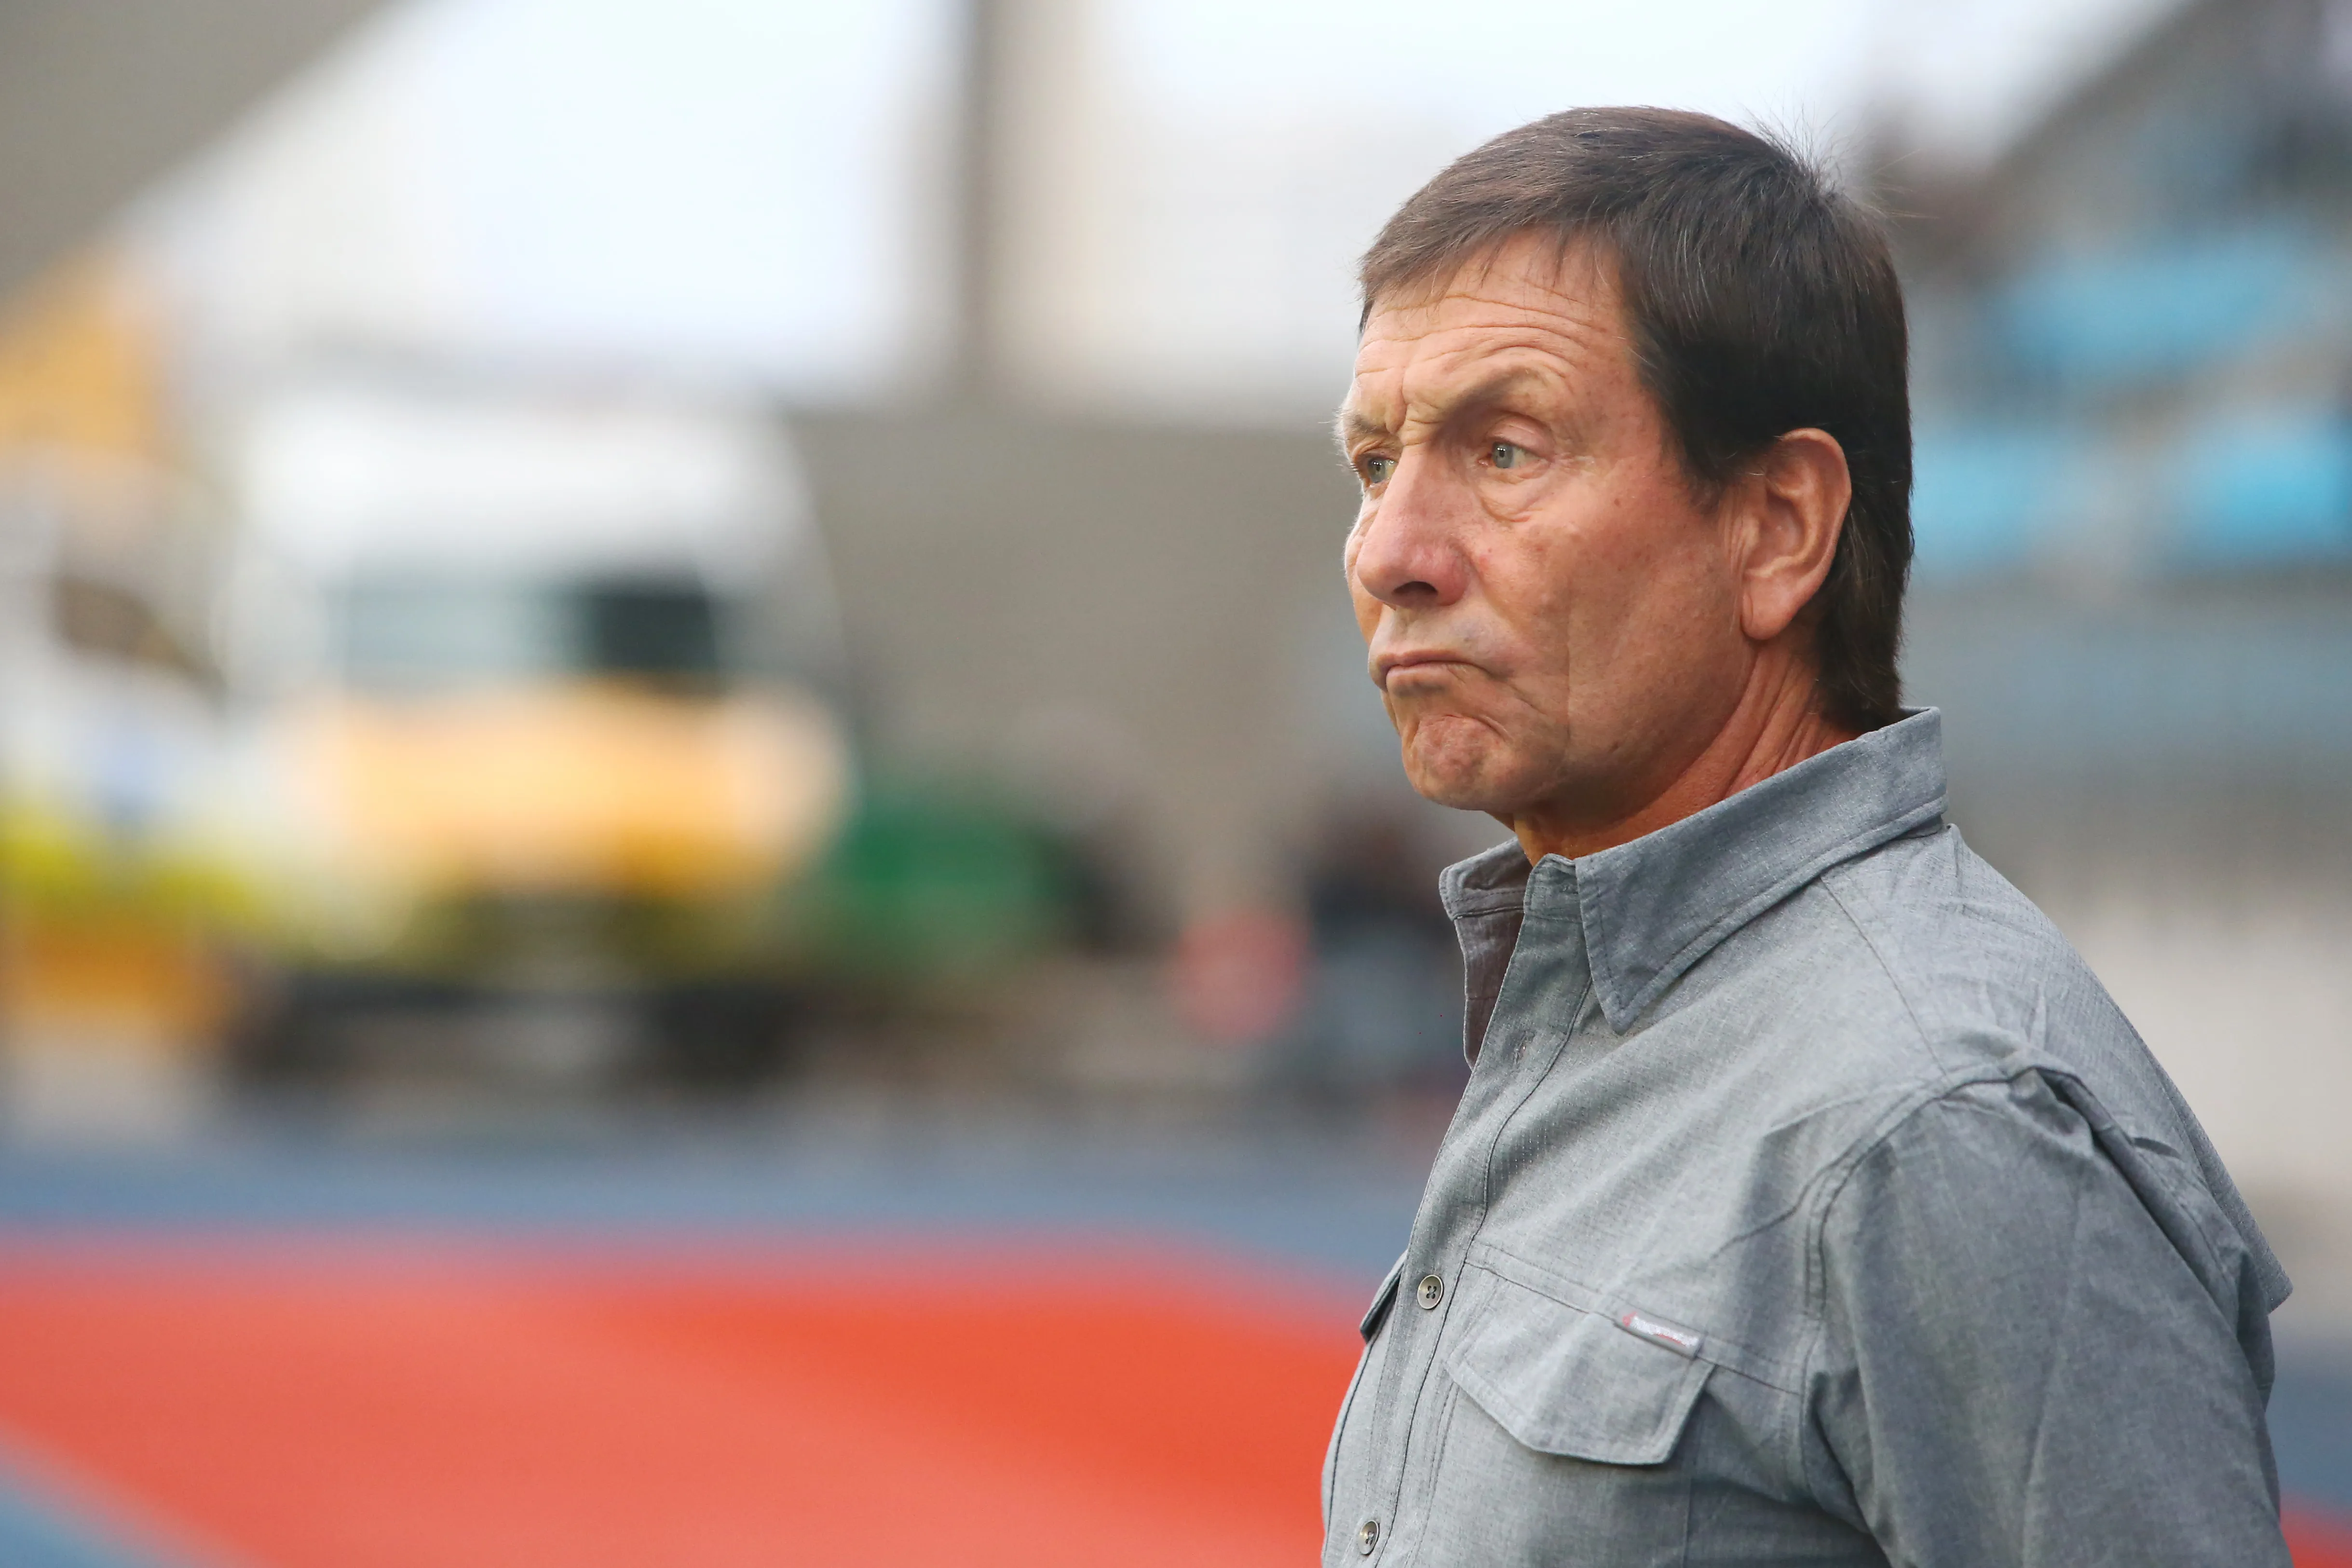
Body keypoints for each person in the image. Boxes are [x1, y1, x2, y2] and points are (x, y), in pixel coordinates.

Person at [1322, 108, 2290, 1567]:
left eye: (1504, 449)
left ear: (1776, 527)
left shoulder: (1943, 1121)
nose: (1393, 550)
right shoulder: (1616, 1007)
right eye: (1373, 461)